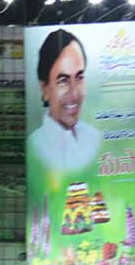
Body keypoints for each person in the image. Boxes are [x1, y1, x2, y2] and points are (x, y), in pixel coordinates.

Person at [28, 29, 101, 171]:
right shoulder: (33, 147)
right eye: (63, 80)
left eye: (79, 78)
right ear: (44, 89)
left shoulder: (96, 139)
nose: (74, 94)